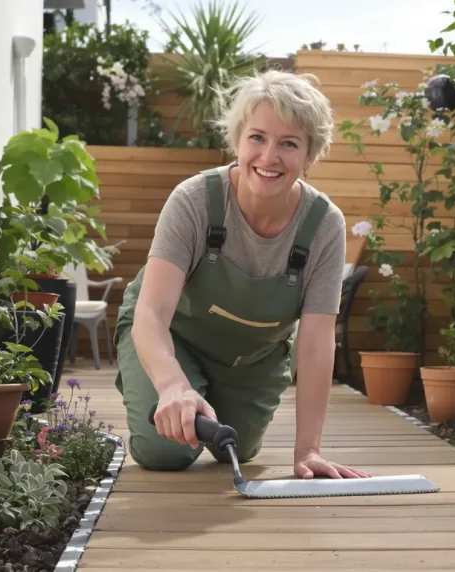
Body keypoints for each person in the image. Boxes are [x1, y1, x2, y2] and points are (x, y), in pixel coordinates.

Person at [113, 69, 370, 480]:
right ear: (236, 141)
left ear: (310, 155)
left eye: (289, 143)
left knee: (239, 448)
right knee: (165, 451)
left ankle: (213, 395)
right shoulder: (194, 200)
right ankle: (157, 381)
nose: (269, 157)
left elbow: (316, 342)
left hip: (253, 357)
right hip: (173, 339)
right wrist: (173, 385)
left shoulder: (324, 225)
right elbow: (152, 312)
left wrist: (308, 450)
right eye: (257, 138)